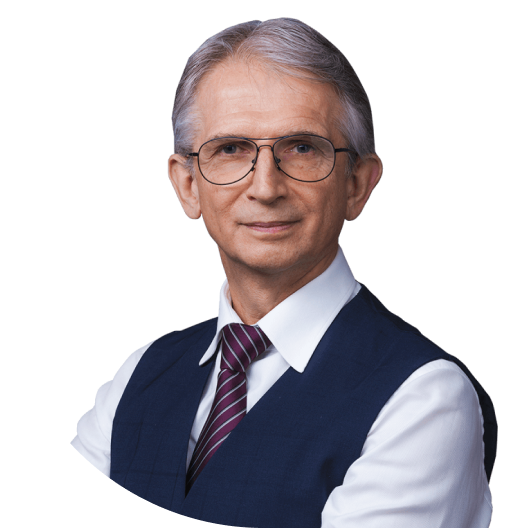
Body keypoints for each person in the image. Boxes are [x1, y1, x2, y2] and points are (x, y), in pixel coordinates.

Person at [72, 18, 497, 527]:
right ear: (188, 186)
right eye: (231, 150)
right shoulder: (139, 377)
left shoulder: (423, 398)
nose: (266, 187)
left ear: (357, 185)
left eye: (302, 148)